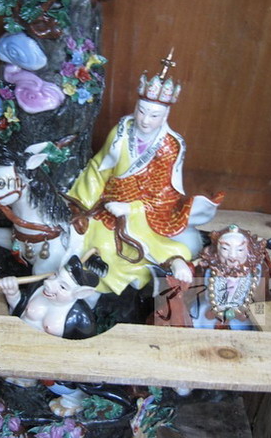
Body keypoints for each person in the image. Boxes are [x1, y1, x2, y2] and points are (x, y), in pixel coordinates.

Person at [68, 55, 222, 295]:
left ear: (165, 116)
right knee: (79, 230)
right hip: (105, 204)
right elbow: (99, 168)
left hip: (141, 213)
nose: (145, 120)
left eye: (154, 116)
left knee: (112, 247)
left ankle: (117, 284)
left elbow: (165, 194)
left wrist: (131, 209)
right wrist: (81, 203)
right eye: (141, 112)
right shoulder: (121, 132)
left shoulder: (169, 146)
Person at [0, 254, 100, 339]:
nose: (49, 283)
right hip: (13, 338)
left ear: (80, 293)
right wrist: (12, 294)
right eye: (55, 275)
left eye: (62, 287)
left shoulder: (81, 318)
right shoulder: (38, 287)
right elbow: (18, 308)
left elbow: (83, 347)